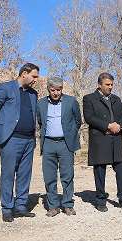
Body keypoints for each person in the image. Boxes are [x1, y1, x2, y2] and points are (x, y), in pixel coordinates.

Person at [0, 63, 40, 223]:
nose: (36, 80)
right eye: (34, 76)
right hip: (10, 140)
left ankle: (21, 206)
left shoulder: (33, 94)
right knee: (8, 174)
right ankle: (7, 208)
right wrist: (1, 132)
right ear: (24, 73)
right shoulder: (5, 88)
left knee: (25, 174)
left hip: (29, 140)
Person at [83, 72, 122, 212]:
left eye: (112, 84)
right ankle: (100, 200)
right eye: (107, 84)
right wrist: (107, 125)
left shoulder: (116, 99)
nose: (110, 87)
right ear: (99, 85)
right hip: (100, 139)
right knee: (100, 171)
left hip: (116, 138)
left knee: (121, 168)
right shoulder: (89, 98)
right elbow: (89, 117)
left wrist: (119, 126)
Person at [37, 77, 82, 217]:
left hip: (65, 144)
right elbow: (40, 122)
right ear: (48, 89)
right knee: (49, 177)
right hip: (48, 144)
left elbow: (78, 120)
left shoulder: (71, 101)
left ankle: (68, 205)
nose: (56, 93)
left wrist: (70, 133)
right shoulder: (40, 104)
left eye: (59, 90)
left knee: (67, 175)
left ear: (62, 89)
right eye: (53, 90)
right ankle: (53, 206)